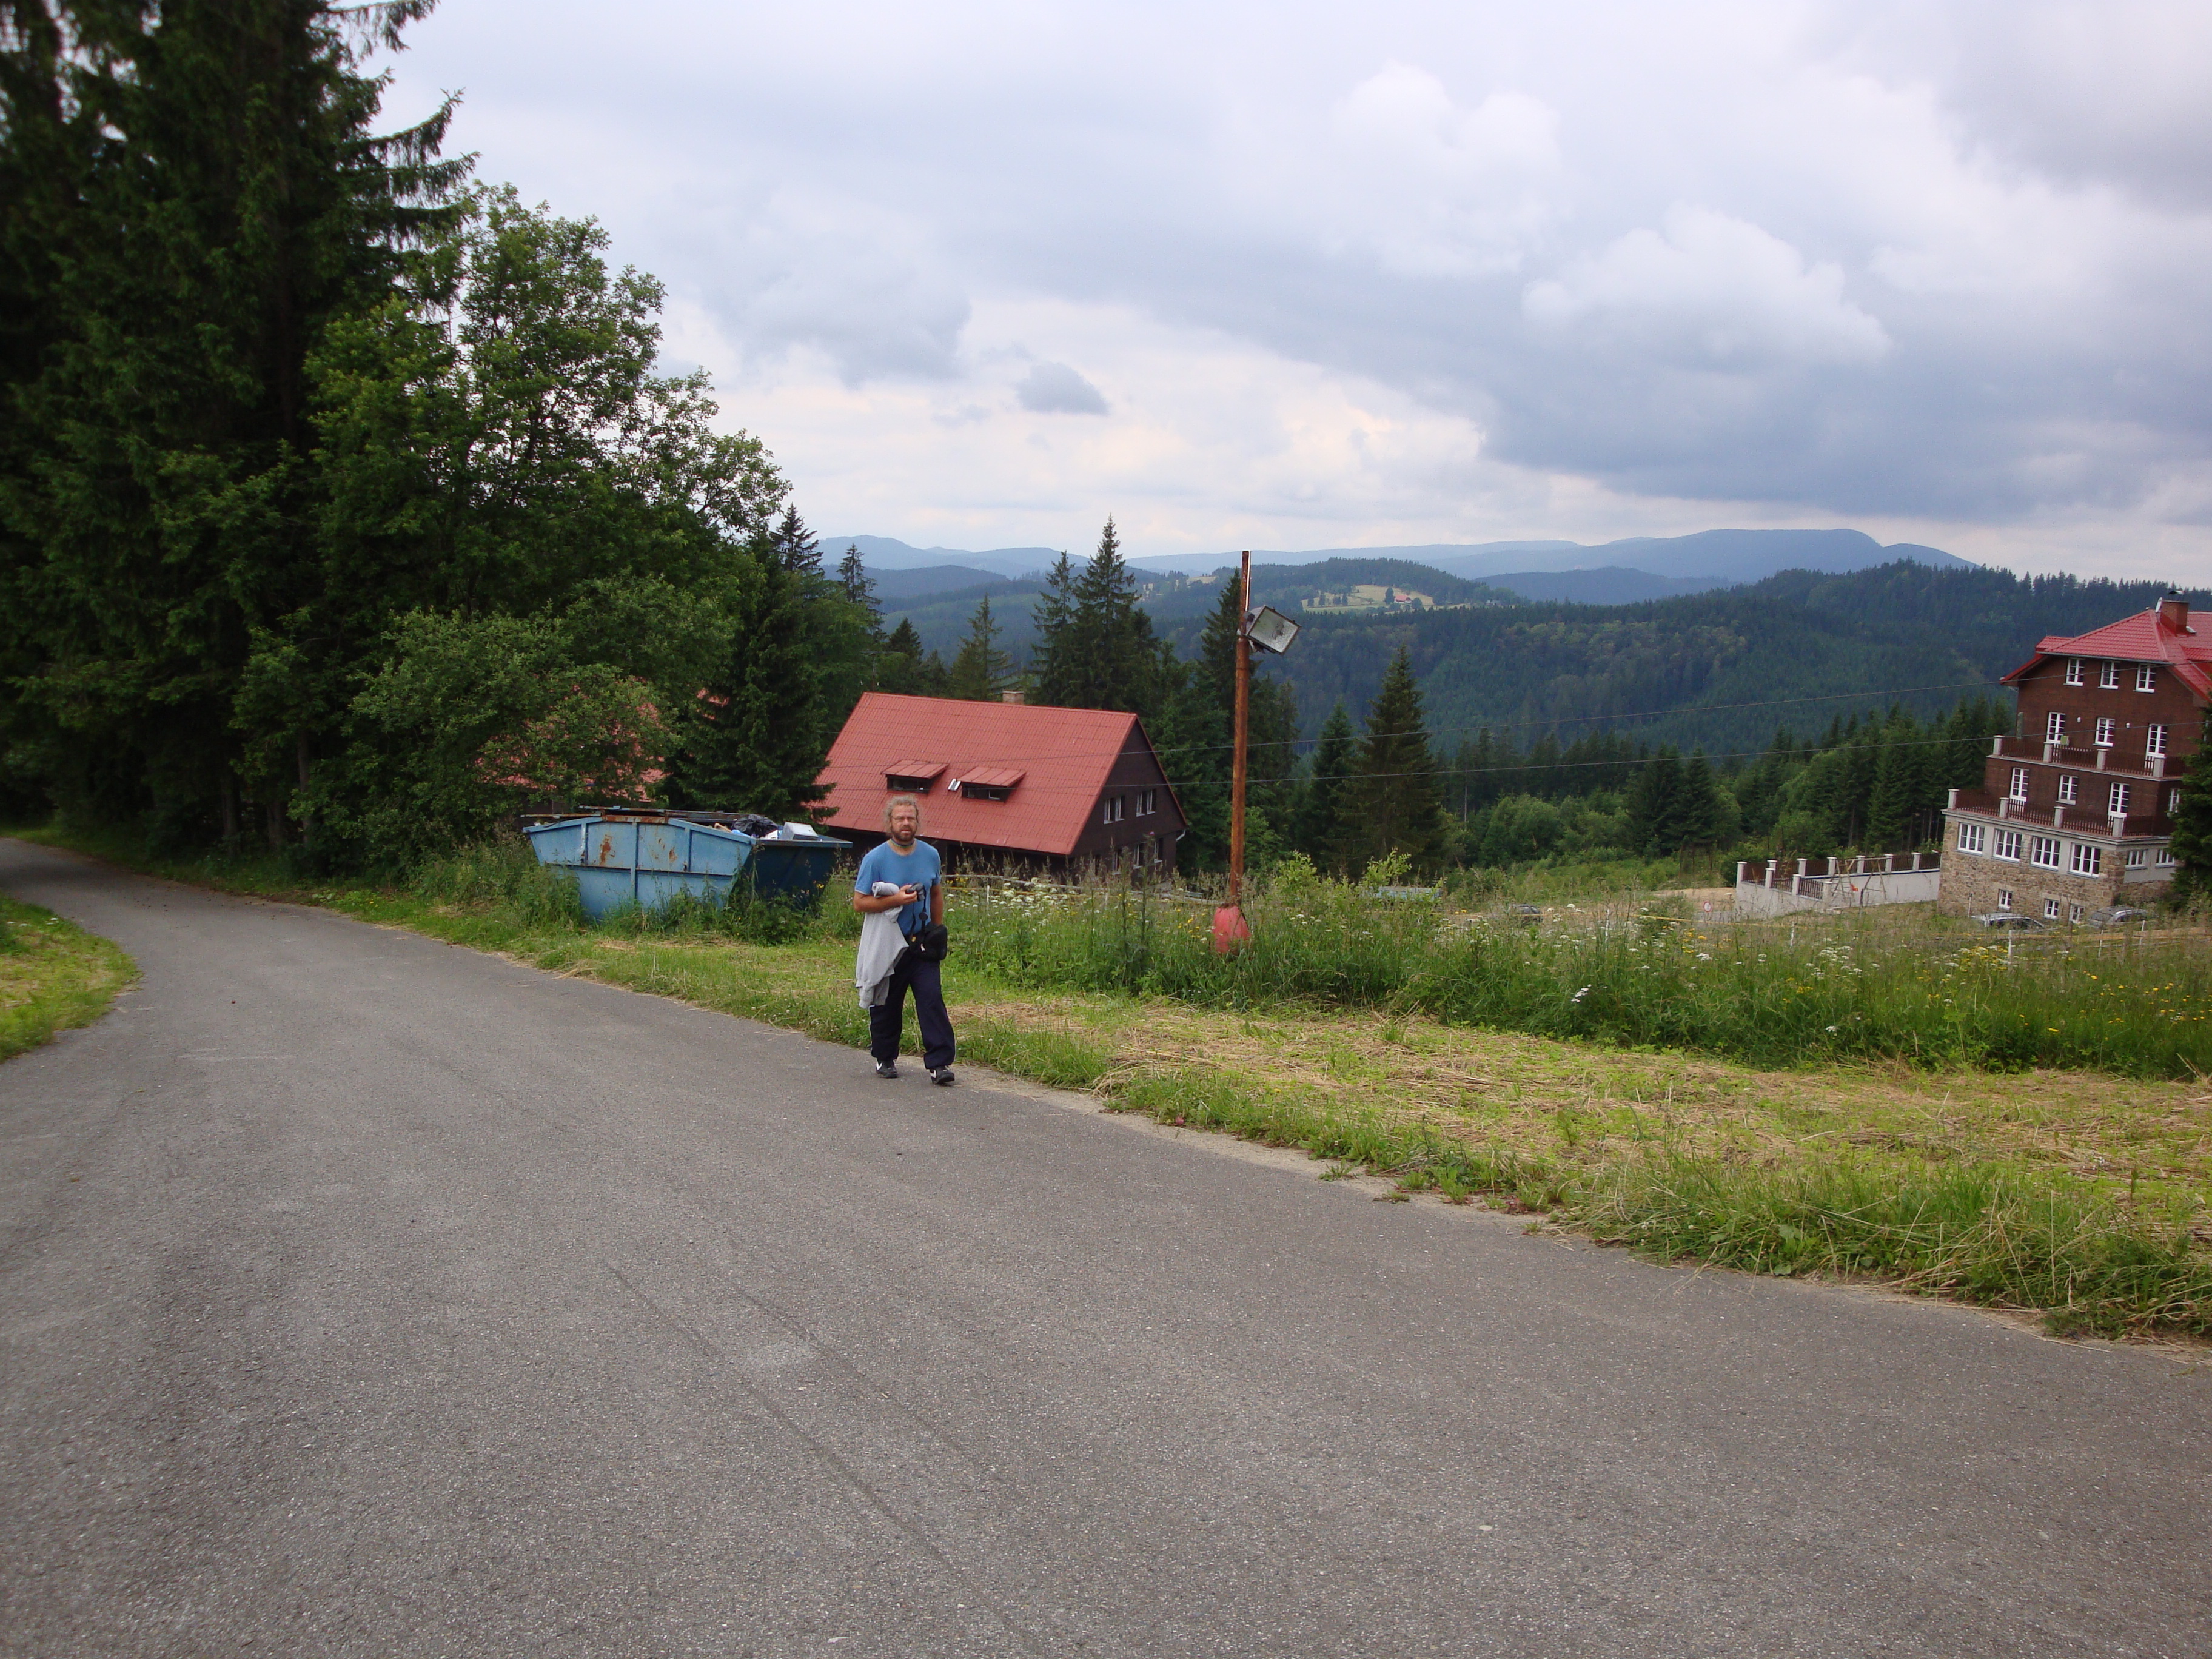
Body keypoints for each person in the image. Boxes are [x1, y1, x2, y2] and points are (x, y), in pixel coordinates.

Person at [851, 794, 954, 1085]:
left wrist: (937, 930)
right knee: (887, 1003)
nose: (906, 823)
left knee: (932, 1000)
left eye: (911, 818)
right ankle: (885, 1058)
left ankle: (940, 1064)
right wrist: (896, 899)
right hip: (889, 944)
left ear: (917, 822)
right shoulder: (875, 859)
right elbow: (859, 903)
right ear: (890, 823)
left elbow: (936, 893)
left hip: (921, 944)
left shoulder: (930, 855)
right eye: (900, 818)